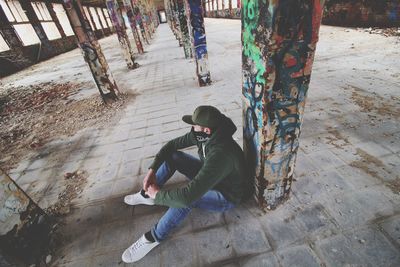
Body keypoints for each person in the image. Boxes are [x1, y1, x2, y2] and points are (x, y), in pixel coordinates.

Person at [121, 105, 252, 263]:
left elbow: (185, 198)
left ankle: (153, 237)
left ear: (206, 130)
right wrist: (152, 169)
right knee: (174, 157)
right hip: (212, 175)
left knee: (187, 199)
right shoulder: (203, 135)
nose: (192, 127)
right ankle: (146, 195)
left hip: (226, 195)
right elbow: (171, 146)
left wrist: (159, 195)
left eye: (194, 125)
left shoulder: (222, 154)